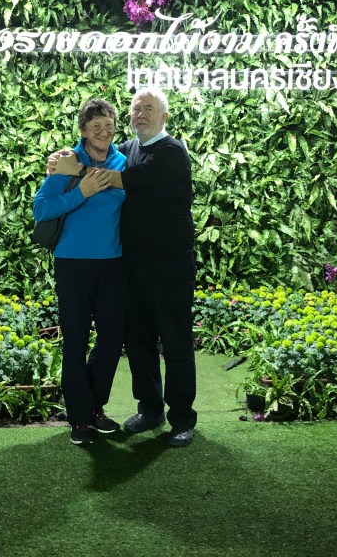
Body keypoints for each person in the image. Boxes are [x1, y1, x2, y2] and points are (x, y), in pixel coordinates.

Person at [52, 87, 197, 447]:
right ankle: (150, 409)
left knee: (175, 342)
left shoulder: (172, 151)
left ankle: (182, 418)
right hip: (132, 267)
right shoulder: (127, 150)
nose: (140, 114)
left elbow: (120, 180)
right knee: (138, 342)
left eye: (148, 108)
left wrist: (74, 168)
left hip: (170, 266)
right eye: (135, 109)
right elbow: (96, 158)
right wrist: (61, 160)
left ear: (164, 117)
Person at [33, 98, 127, 446]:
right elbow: (41, 209)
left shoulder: (122, 162)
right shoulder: (68, 163)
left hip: (113, 265)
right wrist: (82, 193)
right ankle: (79, 418)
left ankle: (94, 408)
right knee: (75, 340)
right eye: (95, 126)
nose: (103, 131)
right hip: (73, 264)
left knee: (112, 339)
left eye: (108, 125)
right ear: (84, 131)